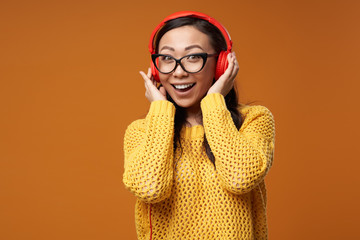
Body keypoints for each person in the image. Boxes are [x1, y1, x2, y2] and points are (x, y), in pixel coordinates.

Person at [123, 11, 275, 240]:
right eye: (166, 58)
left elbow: (241, 178)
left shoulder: (254, 120)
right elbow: (149, 189)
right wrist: (160, 111)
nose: (179, 71)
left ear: (221, 65)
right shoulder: (141, 131)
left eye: (193, 57)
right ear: (155, 68)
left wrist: (214, 102)